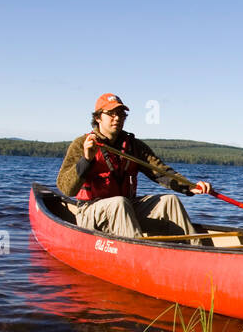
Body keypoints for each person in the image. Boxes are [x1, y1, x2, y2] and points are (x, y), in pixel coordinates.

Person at [56, 93, 212, 238]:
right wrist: (86, 159)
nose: (117, 118)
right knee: (119, 203)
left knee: (170, 201)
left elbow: (161, 172)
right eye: (111, 114)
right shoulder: (81, 144)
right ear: (98, 118)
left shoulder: (134, 146)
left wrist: (189, 186)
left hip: (126, 208)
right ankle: (138, 256)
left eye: (121, 114)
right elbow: (66, 188)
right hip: (90, 211)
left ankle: (195, 251)